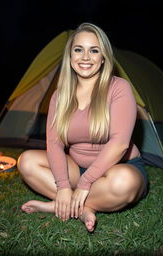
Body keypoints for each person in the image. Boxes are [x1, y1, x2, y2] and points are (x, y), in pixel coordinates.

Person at [17, 22, 149, 232]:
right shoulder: (59, 96)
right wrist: (63, 186)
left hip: (117, 168)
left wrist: (85, 183)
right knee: (26, 161)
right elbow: (54, 143)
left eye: (94, 50)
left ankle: (64, 205)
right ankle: (82, 207)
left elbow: (120, 143)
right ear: (70, 57)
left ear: (104, 57)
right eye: (78, 50)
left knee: (123, 183)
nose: (85, 57)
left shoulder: (119, 88)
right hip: (76, 168)